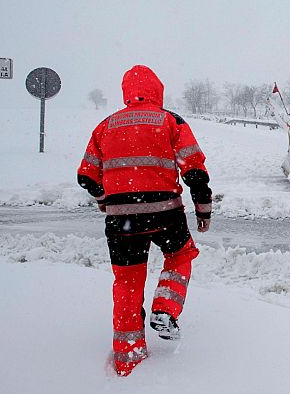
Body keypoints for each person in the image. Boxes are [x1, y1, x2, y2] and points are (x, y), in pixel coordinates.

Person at [77, 65, 212, 376]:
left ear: (127, 92)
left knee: (126, 281)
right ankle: (165, 308)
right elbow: (194, 170)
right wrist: (203, 209)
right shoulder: (170, 121)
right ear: (158, 91)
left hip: (120, 219)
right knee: (181, 255)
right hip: (165, 213)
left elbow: (85, 175)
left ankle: (128, 356)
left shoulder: (104, 126)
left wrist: (103, 200)